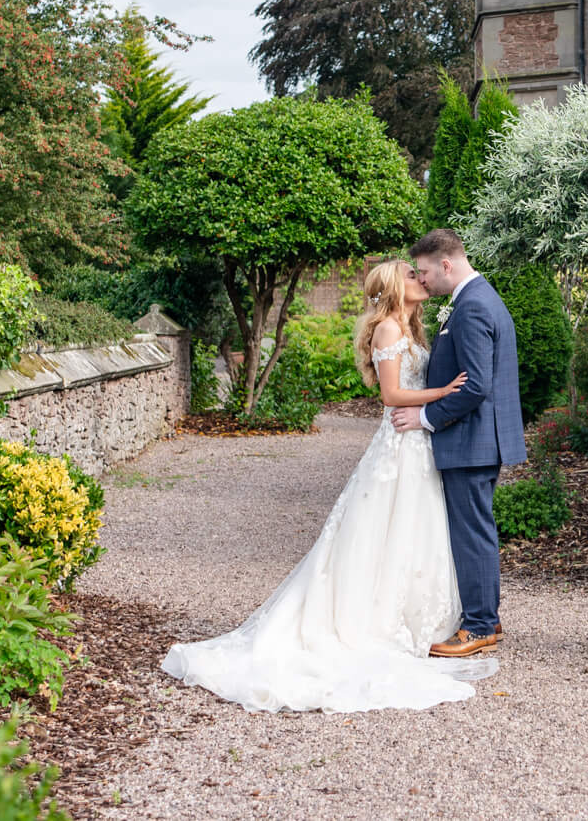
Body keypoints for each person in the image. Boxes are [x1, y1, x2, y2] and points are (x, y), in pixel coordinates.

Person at [159, 258, 495, 712]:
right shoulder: (388, 332)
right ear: (395, 287)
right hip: (398, 446)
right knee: (382, 532)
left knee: (417, 530)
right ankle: (371, 622)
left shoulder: (412, 328)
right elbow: (392, 397)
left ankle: (423, 619)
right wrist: (442, 393)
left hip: (419, 447)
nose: (420, 280)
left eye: (420, 275)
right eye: (412, 276)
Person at [391, 227, 526, 657]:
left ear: (446, 264)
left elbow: (475, 387)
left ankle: (480, 626)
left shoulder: (471, 307)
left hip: (472, 440)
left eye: (426, 271)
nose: (423, 279)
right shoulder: (476, 298)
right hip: (479, 439)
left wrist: (425, 416)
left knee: (472, 533)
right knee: (476, 530)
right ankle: (487, 617)